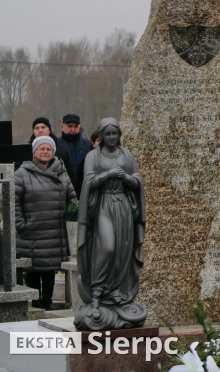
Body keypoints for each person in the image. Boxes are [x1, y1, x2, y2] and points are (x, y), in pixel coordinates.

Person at [74, 118, 146, 330]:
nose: (112, 138)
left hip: (123, 206)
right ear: (101, 136)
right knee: (107, 247)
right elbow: (88, 181)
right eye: (108, 134)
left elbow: (136, 180)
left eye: (115, 134)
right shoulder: (92, 156)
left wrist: (126, 178)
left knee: (121, 251)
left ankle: (115, 292)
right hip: (103, 205)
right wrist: (107, 175)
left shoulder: (126, 156)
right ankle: (96, 294)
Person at [15, 135, 77, 310]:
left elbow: (72, 199)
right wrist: (21, 224)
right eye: (41, 148)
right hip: (31, 232)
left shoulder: (61, 172)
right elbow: (13, 202)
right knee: (34, 271)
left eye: (48, 149)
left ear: (53, 151)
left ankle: (48, 303)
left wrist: (71, 222)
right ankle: (35, 304)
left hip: (55, 232)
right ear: (34, 152)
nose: (45, 151)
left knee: (50, 270)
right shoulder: (22, 173)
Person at [57, 113, 93, 197]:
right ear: (62, 127)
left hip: (84, 187)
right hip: (63, 187)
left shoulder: (87, 144)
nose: (73, 129)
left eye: (75, 126)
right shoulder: (56, 145)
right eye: (70, 126)